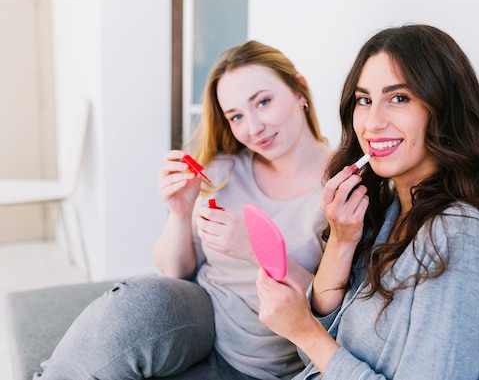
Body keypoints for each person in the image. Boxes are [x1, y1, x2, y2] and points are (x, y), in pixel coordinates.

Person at [255, 24, 479, 380]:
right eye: (364, 100)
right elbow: (320, 354)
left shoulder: (459, 234)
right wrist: (340, 241)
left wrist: (303, 329)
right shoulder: (390, 212)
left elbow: (313, 345)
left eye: (399, 98)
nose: (373, 122)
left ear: (443, 110)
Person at [34, 40, 332, 380]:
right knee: (135, 304)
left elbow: (337, 311)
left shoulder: (339, 193)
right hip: (198, 323)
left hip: (272, 362)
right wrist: (179, 212)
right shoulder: (224, 170)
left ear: (300, 91)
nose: (252, 128)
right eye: (235, 116)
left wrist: (254, 249)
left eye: (263, 102)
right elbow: (175, 271)